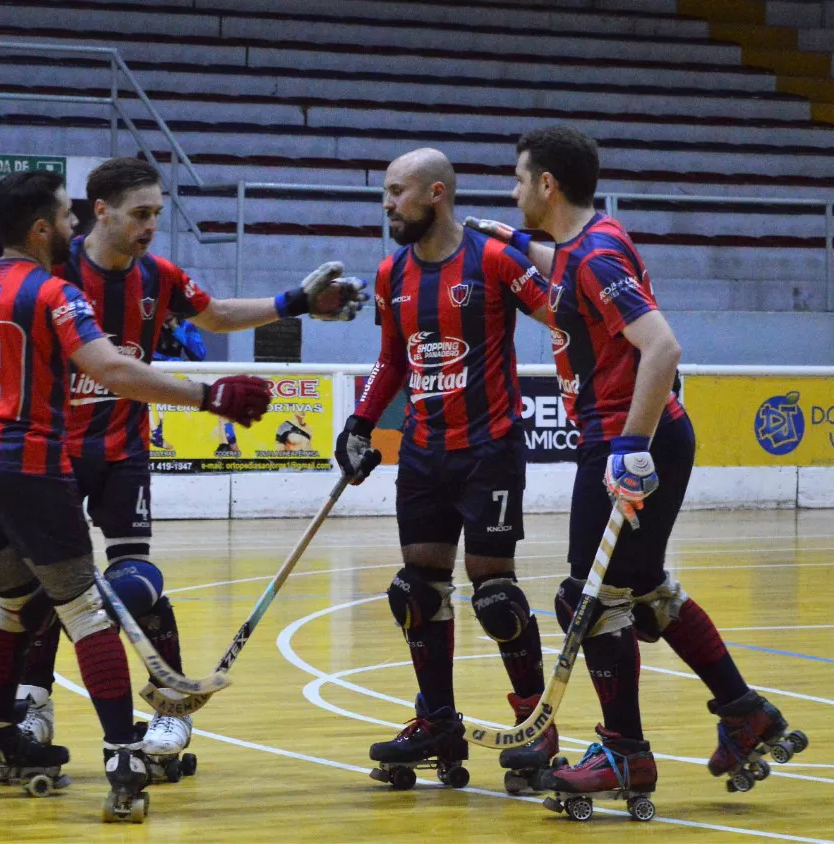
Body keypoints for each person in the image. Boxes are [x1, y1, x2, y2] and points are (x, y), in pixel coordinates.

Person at [468, 124, 805, 808]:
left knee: (588, 601)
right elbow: (559, 267)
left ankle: (626, 755)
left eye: (517, 179)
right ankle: (744, 712)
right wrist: (504, 239)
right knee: (642, 587)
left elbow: (663, 347)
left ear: (546, 185)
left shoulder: (591, 256)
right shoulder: (581, 244)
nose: (512, 191)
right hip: (639, 435)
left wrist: (631, 445)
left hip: (627, 439)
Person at [0, 169, 273, 818]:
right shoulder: (56, 293)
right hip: (26, 467)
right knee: (83, 611)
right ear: (40, 228)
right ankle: (121, 754)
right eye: (65, 217)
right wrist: (209, 395)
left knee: (13, 603)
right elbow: (110, 368)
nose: (74, 226)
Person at [13, 156, 367, 774]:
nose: (151, 225)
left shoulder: (158, 276)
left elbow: (216, 316)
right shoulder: (53, 272)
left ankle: (171, 706)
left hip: (122, 450)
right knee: (47, 586)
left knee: (136, 581)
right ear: (101, 211)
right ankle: (32, 704)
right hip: (51, 450)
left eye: (157, 213)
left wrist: (296, 303)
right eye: (140, 214)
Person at [335, 148, 555, 790]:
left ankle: (535, 727)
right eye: (384, 192)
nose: (386, 203)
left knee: (496, 599)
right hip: (423, 452)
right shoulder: (389, 274)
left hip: (490, 449)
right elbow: (391, 363)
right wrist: (359, 424)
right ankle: (437, 722)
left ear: (436, 193)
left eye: (396, 192)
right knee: (415, 591)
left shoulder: (492, 259)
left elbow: (562, 314)